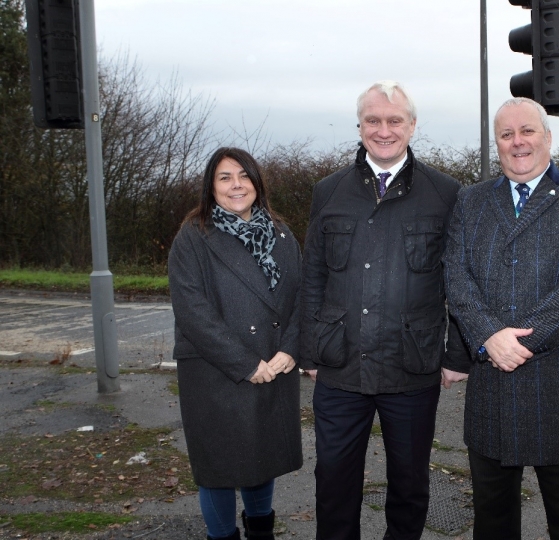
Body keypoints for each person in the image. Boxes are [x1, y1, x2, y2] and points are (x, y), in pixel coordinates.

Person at [299, 80, 468, 540]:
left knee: (410, 486)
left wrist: (457, 355)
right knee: (333, 482)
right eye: (373, 120)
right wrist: (311, 352)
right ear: (359, 126)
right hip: (339, 367)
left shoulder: (446, 193)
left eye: (395, 120)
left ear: (412, 126)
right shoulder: (328, 192)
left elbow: (460, 281)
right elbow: (312, 276)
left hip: (411, 367)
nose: (384, 130)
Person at [441, 97, 559, 540]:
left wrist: (517, 343)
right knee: (493, 522)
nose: (517, 142)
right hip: (491, 385)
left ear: (547, 137)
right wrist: (487, 336)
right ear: (496, 143)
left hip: (558, 383)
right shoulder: (471, 200)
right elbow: (456, 278)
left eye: (527, 131)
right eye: (506, 134)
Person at [168, 147, 303, 540]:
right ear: (211, 187)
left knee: (262, 457)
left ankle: (261, 534)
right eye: (225, 177)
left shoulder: (280, 231)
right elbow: (192, 310)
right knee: (220, 469)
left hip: (274, 366)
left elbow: (302, 295)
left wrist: (291, 349)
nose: (236, 185)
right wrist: (245, 364)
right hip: (217, 373)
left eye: (244, 175)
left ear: (258, 183)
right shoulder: (193, 236)